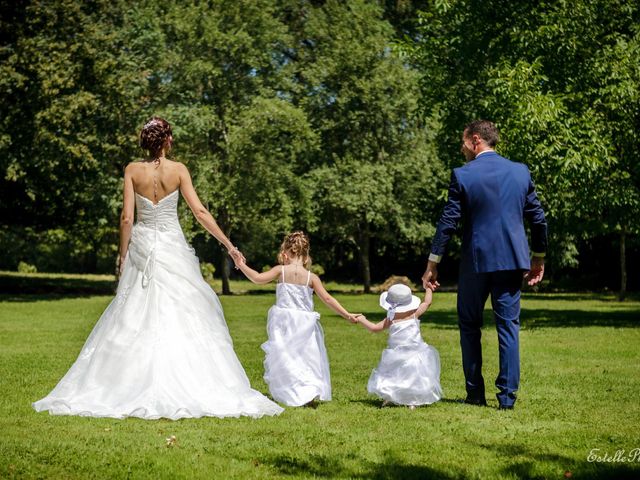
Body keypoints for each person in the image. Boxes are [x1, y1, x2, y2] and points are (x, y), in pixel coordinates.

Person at [33, 117, 284, 419]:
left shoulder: (131, 170)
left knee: (131, 315)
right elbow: (200, 212)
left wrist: (123, 255)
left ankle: (120, 384)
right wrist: (228, 245)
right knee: (183, 312)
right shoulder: (178, 171)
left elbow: (127, 218)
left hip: (142, 248)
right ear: (167, 141)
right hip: (171, 247)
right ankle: (192, 382)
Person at [422, 120, 547, 410]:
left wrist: (433, 262)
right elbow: (538, 219)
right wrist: (538, 256)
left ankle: (475, 394)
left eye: (463, 141)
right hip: (512, 261)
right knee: (508, 327)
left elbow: (448, 223)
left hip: (476, 262)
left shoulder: (463, 175)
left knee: (469, 325)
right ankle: (506, 399)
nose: (461, 147)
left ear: (475, 140)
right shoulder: (520, 172)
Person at [234, 231, 359, 407]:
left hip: (284, 323)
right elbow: (328, 299)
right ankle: (308, 390)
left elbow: (257, 278)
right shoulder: (311, 277)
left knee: (285, 356)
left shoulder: (281, 271)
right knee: (307, 357)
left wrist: (241, 264)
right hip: (305, 324)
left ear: (285, 253)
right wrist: (347, 314)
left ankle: (290, 390)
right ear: (306, 256)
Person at [356, 283, 442, 408]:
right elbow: (427, 302)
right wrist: (428, 288)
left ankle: (391, 396)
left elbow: (374, 328)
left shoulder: (391, 318)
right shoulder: (415, 313)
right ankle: (412, 400)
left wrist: (362, 319)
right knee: (414, 377)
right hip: (415, 352)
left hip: (396, 354)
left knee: (393, 375)